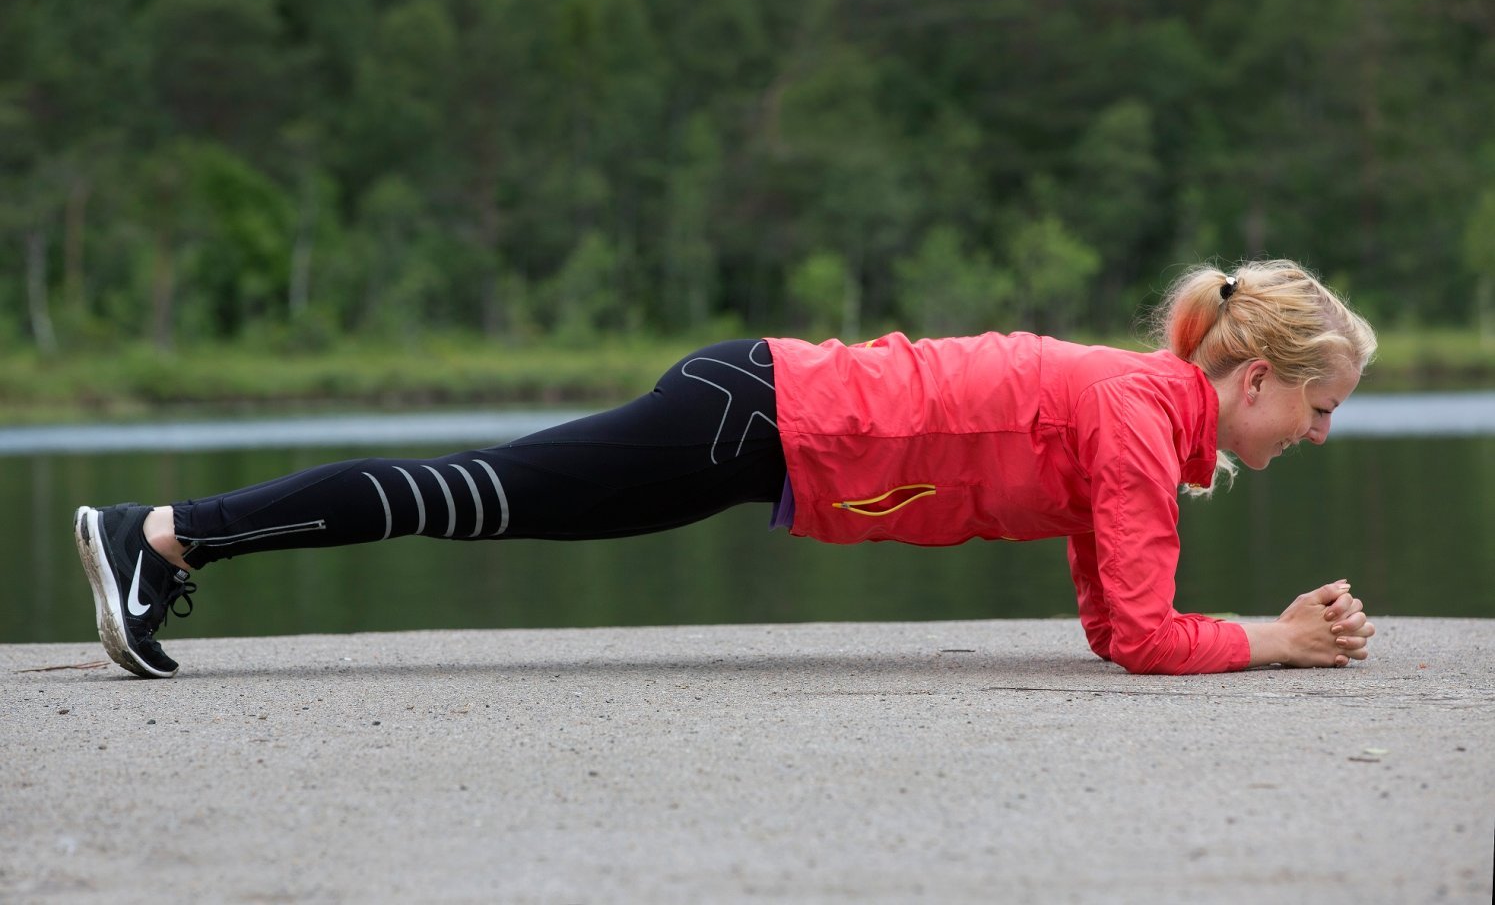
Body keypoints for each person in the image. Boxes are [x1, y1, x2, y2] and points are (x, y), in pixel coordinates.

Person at [74, 258, 1379, 679]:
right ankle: (162, 534)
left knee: (476, 502)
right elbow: (1144, 637)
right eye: (1319, 409)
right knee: (469, 493)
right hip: (753, 416)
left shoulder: (1143, 413)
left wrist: (1240, 631)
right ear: (1255, 380)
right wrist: (1272, 639)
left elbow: (1114, 621)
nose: (1320, 436)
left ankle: (167, 538)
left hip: (756, 424)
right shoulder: (1142, 420)